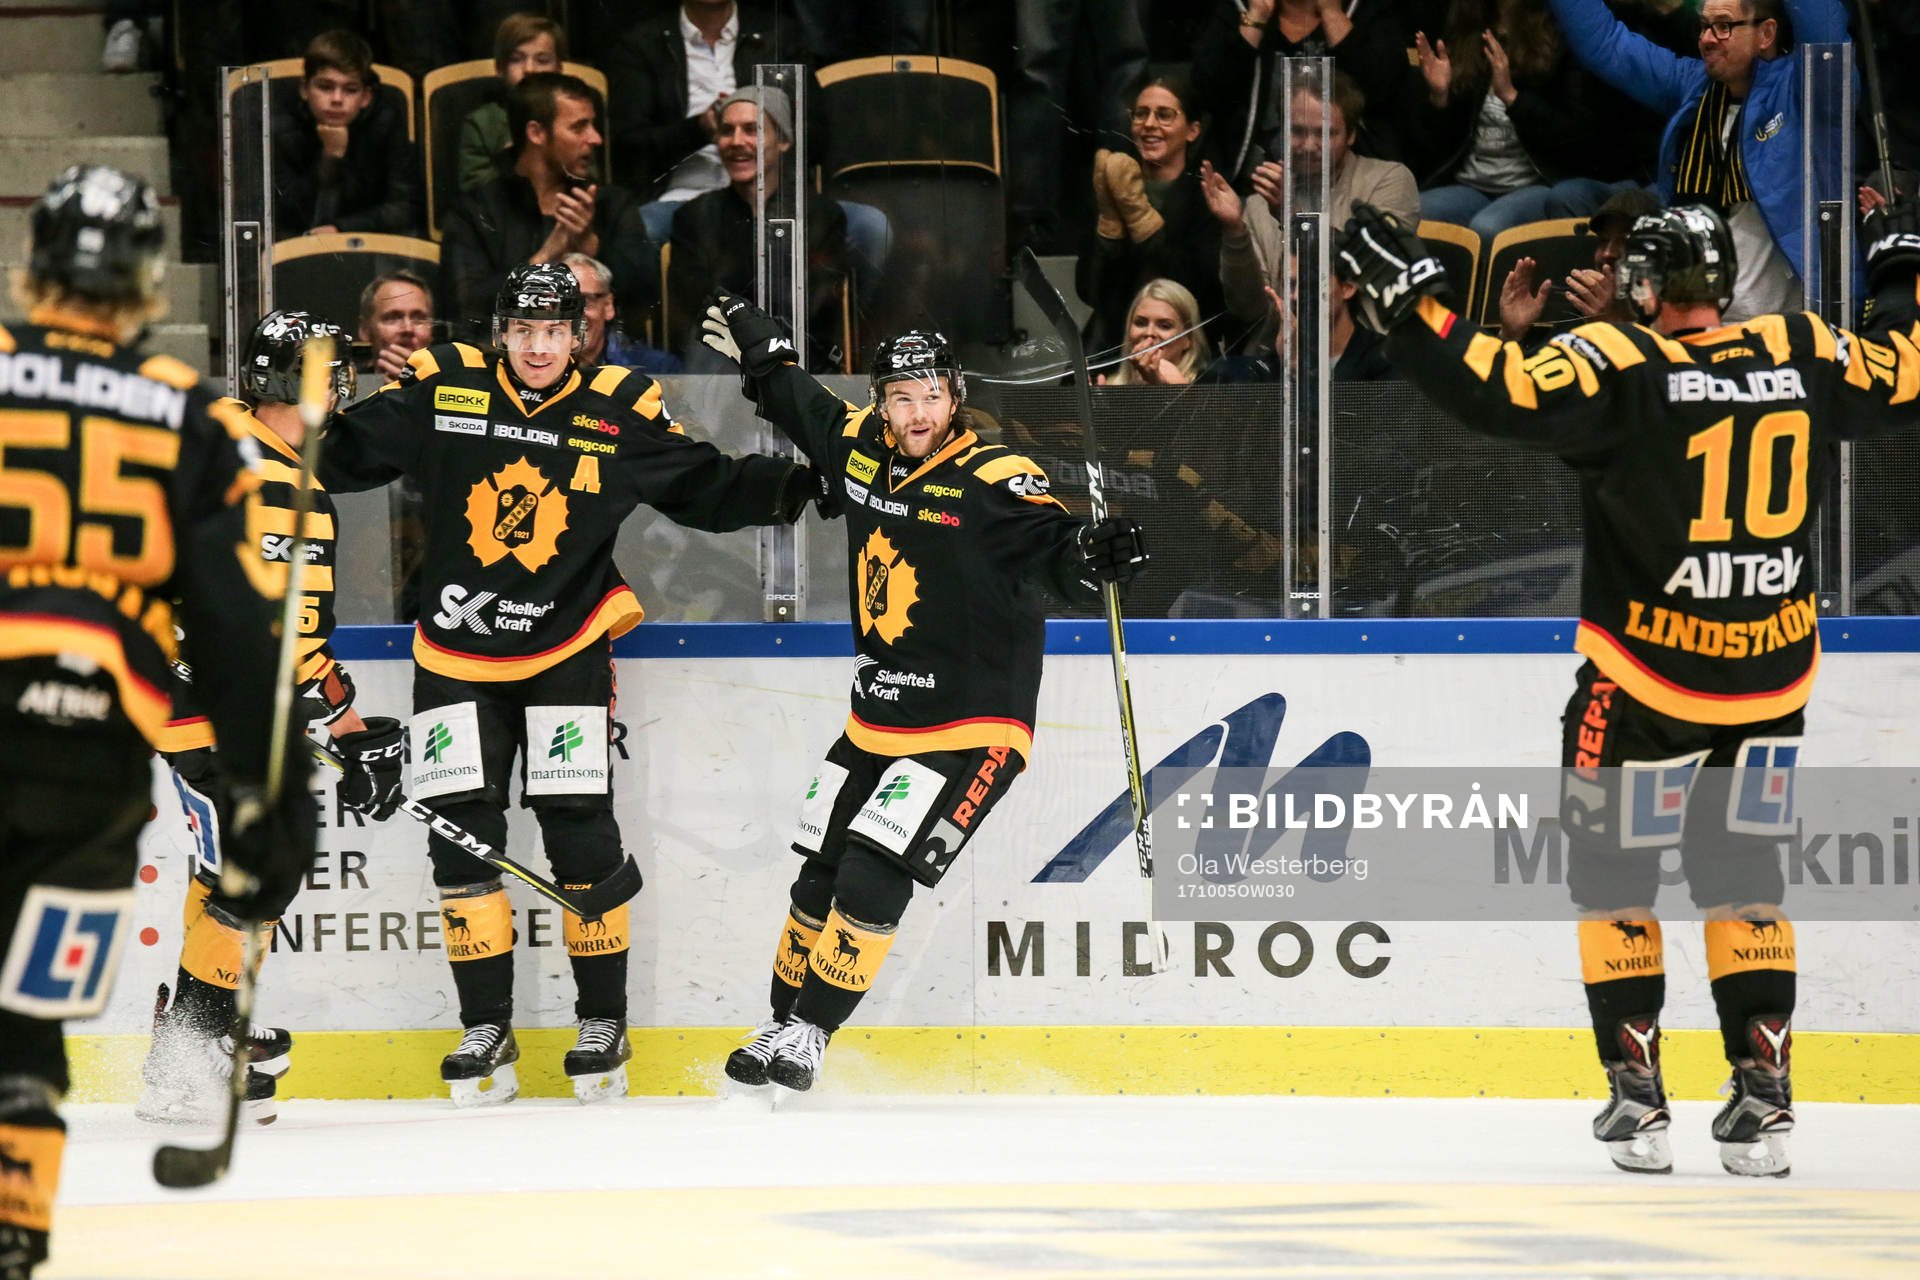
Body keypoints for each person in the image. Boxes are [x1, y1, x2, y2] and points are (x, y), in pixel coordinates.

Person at [1334, 198, 1920, 1177]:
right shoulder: (1804, 346)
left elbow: (1499, 389)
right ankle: (1763, 1099)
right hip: (1767, 679)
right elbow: (1905, 370)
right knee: (1743, 881)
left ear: (1645, 286)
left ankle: (1640, 1102)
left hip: (1645, 684)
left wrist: (1412, 305)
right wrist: (1903, 276)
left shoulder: (1623, 361)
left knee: (1615, 883)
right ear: (1723, 287)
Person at [315, 263, 823, 1106]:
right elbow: (337, 455)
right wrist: (266, 419)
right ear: (500, 332)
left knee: (579, 832)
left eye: (554, 332)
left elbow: (703, 486)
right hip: (455, 657)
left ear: (579, 335)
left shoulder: (617, 406)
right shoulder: (446, 389)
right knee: (460, 836)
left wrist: (806, 483)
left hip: (566, 654)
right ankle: (486, 1025)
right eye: (523, 331)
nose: (538, 347)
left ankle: (602, 1021)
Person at [700, 295, 1149, 1091]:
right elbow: (801, 403)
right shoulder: (859, 447)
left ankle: (811, 1031)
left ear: (956, 395)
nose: (918, 412)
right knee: (820, 873)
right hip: (877, 717)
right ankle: (780, 1020)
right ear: (881, 400)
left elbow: (1053, 551)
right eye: (902, 397)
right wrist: (763, 358)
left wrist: (1092, 553)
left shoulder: (993, 478)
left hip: (972, 726)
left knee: (875, 871)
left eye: (932, 394)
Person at [0, 164, 314, 1279]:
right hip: (88, 749)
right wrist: (277, 786)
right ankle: (16, 1228)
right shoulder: (184, 415)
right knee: (28, 1028)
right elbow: (234, 625)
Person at [137, 312, 405, 1128]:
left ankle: (196, 1036)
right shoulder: (279, 481)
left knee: (228, 864)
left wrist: (348, 728)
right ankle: (188, 1056)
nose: (342, 383)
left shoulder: (224, 437)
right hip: (200, 707)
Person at [1547, 0, 1851, 321]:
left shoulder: (1809, 88)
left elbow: (1824, 31)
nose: (1706, 39)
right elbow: (1604, 44)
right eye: (1704, 27)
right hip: (1696, 329)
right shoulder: (1691, 85)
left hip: (1790, 332)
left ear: (1766, 34)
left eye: (1723, 26)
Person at [1402, 0, 1658, 247]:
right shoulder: (1469, 27)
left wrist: (1513, 98)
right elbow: (1437, 144)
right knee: (1412, 215)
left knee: (1487, 227)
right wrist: (1440, 96)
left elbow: (1577, 136)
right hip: (1471, 183)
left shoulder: (1560, 30)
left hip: (1537, 183)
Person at [1201, 72, 1419, 352]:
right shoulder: (1258, 205)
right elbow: (1249, 309)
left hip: (1364, 359)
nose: (1309, 146)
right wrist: (1234, 232)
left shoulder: (1389, 181)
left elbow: (1370, 269)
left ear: (1351, 135)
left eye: (1326, 133)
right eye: (1298, 131)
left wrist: (1294, 218)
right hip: (1281, 358)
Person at [440, 72, 657, 344]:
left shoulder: (610, 204)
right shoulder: (475, 210)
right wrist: (543, 259)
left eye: (593, 125)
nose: (596, 138)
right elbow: (463, 308)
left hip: (601, 366)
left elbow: (646, 302)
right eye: (579, 127)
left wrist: (593, 249)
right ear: (536, 133)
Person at [667, 87, 849, 369]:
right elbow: (695, 306)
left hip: (798, 351)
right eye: (727, 131)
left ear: (784, 141)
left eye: (752, 130)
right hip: (725, 354)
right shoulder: (693, 216)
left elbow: (816, 305)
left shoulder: (822, 215)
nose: (737, 141)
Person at [1079, 74, 1227, 359]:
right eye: (1141, 114)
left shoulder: (1206, 197)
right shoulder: (1113, 181)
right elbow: (1088, 289)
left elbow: (1202, 293)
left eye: (1164, 115)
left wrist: (1139, 216)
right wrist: (1110, 218)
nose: (1149, 124)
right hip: (1116, 349)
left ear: (1193, 130)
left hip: (1185, 353)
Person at [272, 29, 421, 237]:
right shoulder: (282, 128)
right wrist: (329, 159)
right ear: (305, 89)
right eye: (325, 87)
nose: (337, 99)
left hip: (368, 242)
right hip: (297, 244)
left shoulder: (386, 123)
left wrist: (342, 229)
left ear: (366, 97)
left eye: (350, 90)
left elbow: (405, 207)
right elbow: (283, 213)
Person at [1496, 186, 1662, 342]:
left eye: (1625, 241)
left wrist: (1620, 328)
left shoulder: (1670, 317)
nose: (1607, 253)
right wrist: (1511, 334)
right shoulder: (1582, 308)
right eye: (1603, 241)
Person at [458, 14, 566, 192]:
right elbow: (474, 189)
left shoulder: (574, 120)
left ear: (559, 69)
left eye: (542, 61)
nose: (529, 69)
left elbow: (588, 181)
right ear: (500, 68)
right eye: (517, 59)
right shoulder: (481, 124)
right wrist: (510, 164)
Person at [564, 252, 682, 374]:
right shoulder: (543, 370)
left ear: (608, 305)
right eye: (563, 302)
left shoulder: (657, 369)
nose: (574, 315)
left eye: (585, 301)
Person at [1100, 278, 1215, 385]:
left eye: (1164, 326)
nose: (1149, 332)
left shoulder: (1211, 386)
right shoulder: (1111, 387)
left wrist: (1175, 391)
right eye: (1140, 323)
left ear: (1188, 338)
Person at [356, 269, 437, 388]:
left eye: (419, 319)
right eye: (392, 318)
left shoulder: (452, 386)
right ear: (365, 330)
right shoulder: (345, 393)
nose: (408, 329)